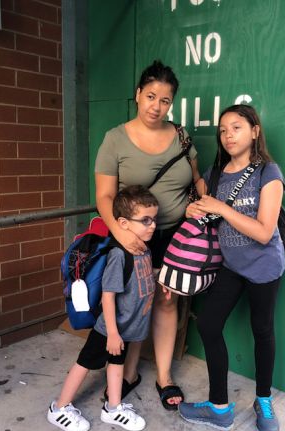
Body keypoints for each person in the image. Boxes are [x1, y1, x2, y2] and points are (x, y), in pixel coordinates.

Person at [94, 60, 198, 410]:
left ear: (172, 103)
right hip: (134, 236)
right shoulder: (115, 139)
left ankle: (164, 376)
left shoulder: (181, 135)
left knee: (167, 301)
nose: (156, 106)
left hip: (176, 235)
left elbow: (196, 179)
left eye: (165, 100)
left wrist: (199, 204)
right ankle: (129, 373)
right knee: (136, 302)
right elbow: (104, 196)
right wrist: (120, 234)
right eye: (151, 96)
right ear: (138, 94)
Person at [178, 104, 285, 431]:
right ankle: (219, 407)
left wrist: (221, 209)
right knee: (209, 325)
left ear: (254, 131)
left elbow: (264, 232)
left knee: (262, 330)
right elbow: (208, 213)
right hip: (231, 265)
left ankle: (263, 399)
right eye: (223, 130)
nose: (228, 135)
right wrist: (194, 211)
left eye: (236, 127)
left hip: (264, 266)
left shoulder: (268, 172)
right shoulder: (215, 174)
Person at [47, 186, 159, 431]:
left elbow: (140, 279)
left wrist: (159, 281)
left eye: (154, 219)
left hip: (125, 326)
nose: (152, 225)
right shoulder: (120, 255)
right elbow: (108, 297)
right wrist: (113, 333)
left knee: (117, 363)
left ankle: (113, 408)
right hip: (109, 329)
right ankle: (59, 408)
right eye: (145, 220)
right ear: (123, 223)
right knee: (85, 362)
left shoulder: (143, 248)